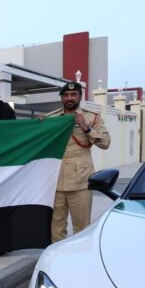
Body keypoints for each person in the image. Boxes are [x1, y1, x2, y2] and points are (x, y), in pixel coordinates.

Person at [46, 81, 111, 242]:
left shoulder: (92, 117)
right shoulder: (51, 118)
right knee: (56, 229)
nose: (69, 98)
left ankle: (80, 255)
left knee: (82, 228)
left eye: (73, 94)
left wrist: (86, 127)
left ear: (80, 97)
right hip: (56, 181)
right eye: (66, 95)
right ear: (62, 98)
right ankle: (58, 256)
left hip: (81, 181)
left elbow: (105, 143)